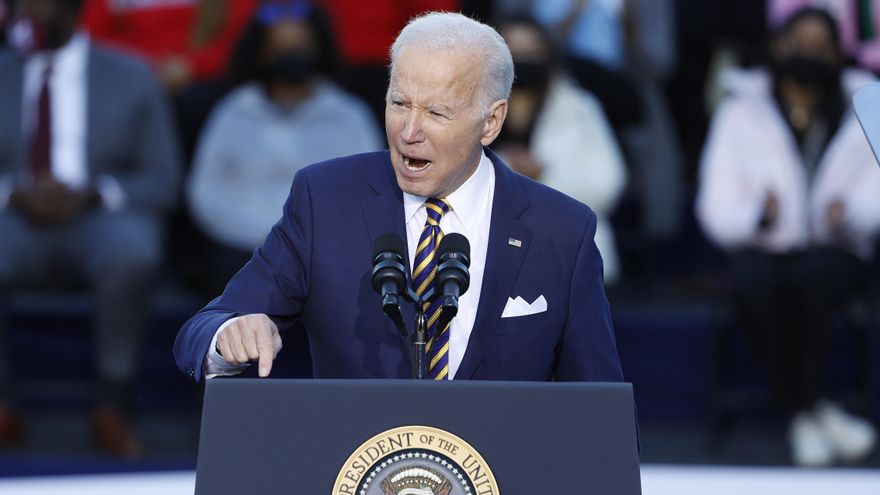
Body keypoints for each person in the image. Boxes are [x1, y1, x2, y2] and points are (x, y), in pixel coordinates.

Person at [173, 12, 624, 385]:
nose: (409, 132)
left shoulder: (562, 230)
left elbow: (599, 409)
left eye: (436, 112)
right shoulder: (326, 201)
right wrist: (230, 333)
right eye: (399, 104)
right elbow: (203, 329)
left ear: (491, 122)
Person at [696, 8, 880, 467]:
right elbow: (715, 205)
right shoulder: (742, 109)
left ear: (838, 52)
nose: (809, 53)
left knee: (812, 279)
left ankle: (801, 410)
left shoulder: (867, 103)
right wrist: (758, 215)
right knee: (753, 282)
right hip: (764, 245)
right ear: (779, 45)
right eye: (801, 41)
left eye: (822, 45)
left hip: (838, 245)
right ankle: (810, 410)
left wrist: (850, 210)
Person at [0, 0, 181, 456]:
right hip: (14, 215)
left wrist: (94, 193)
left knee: (132, 253)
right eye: (20, 7)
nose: (27, 17)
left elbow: (162, 178)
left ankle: (113, 404)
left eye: (39, 7)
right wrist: (15, 192)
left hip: (103, 214)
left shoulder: (131, 74)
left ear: (74, 10)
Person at [187, 1, 383, 294]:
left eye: (300, 48)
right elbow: (205, 192)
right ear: (262, 52)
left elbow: (372, 189)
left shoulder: (348, 115)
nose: (291, 57)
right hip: (244, 249)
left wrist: (313, 240)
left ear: (319, 48)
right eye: (280, 50)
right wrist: (265, 237)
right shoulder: (233, 112)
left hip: (328, 250)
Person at [494, 15, 627, 284]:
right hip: (493, 266)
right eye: (514, 53)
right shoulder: (473, 113)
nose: (523, 61)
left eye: (532, 52)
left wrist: (540, 176)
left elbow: (608, 183)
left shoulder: (579, 108)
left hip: (570, 261)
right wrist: (507, 168)